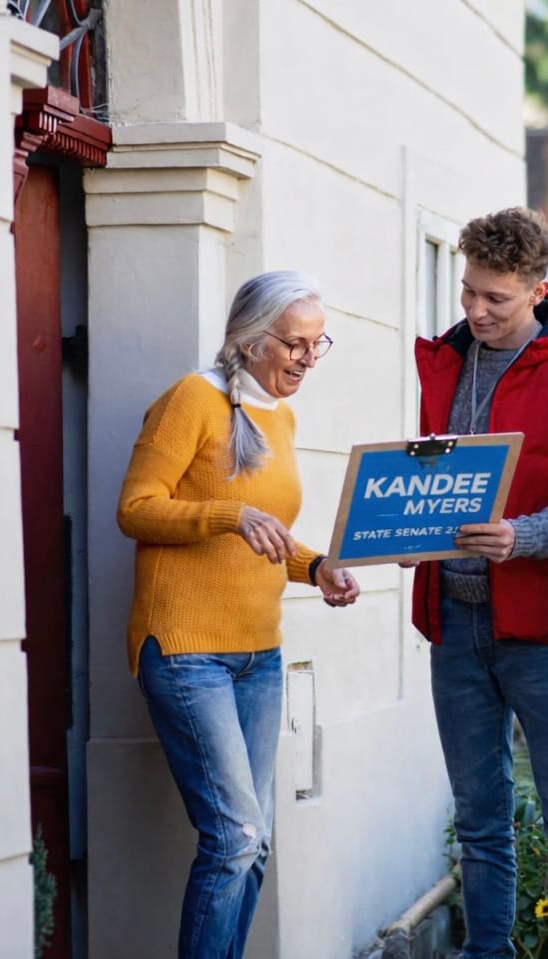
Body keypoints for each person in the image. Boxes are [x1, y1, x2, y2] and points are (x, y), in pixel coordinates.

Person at [116, 270, 361, 959]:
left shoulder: (279, 416)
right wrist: (228, 513)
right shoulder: (191, 399)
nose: (307, 359)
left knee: (255, 845)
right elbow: (135, 508)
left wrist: (316, 566)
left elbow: (267, 533)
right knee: (235, 838)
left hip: (260, 655)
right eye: (294, 344)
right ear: (251, 340)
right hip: (186, 650)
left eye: (317, 344)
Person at [411, 207, 548, 958]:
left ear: (537, 289)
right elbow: (430, 480)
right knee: (478, 819)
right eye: (469, 291)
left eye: (494, 298)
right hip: (455, 622)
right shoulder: (448, 358)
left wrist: (516, 537)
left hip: (545, 631)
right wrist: (405, 533)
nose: (476, 310)